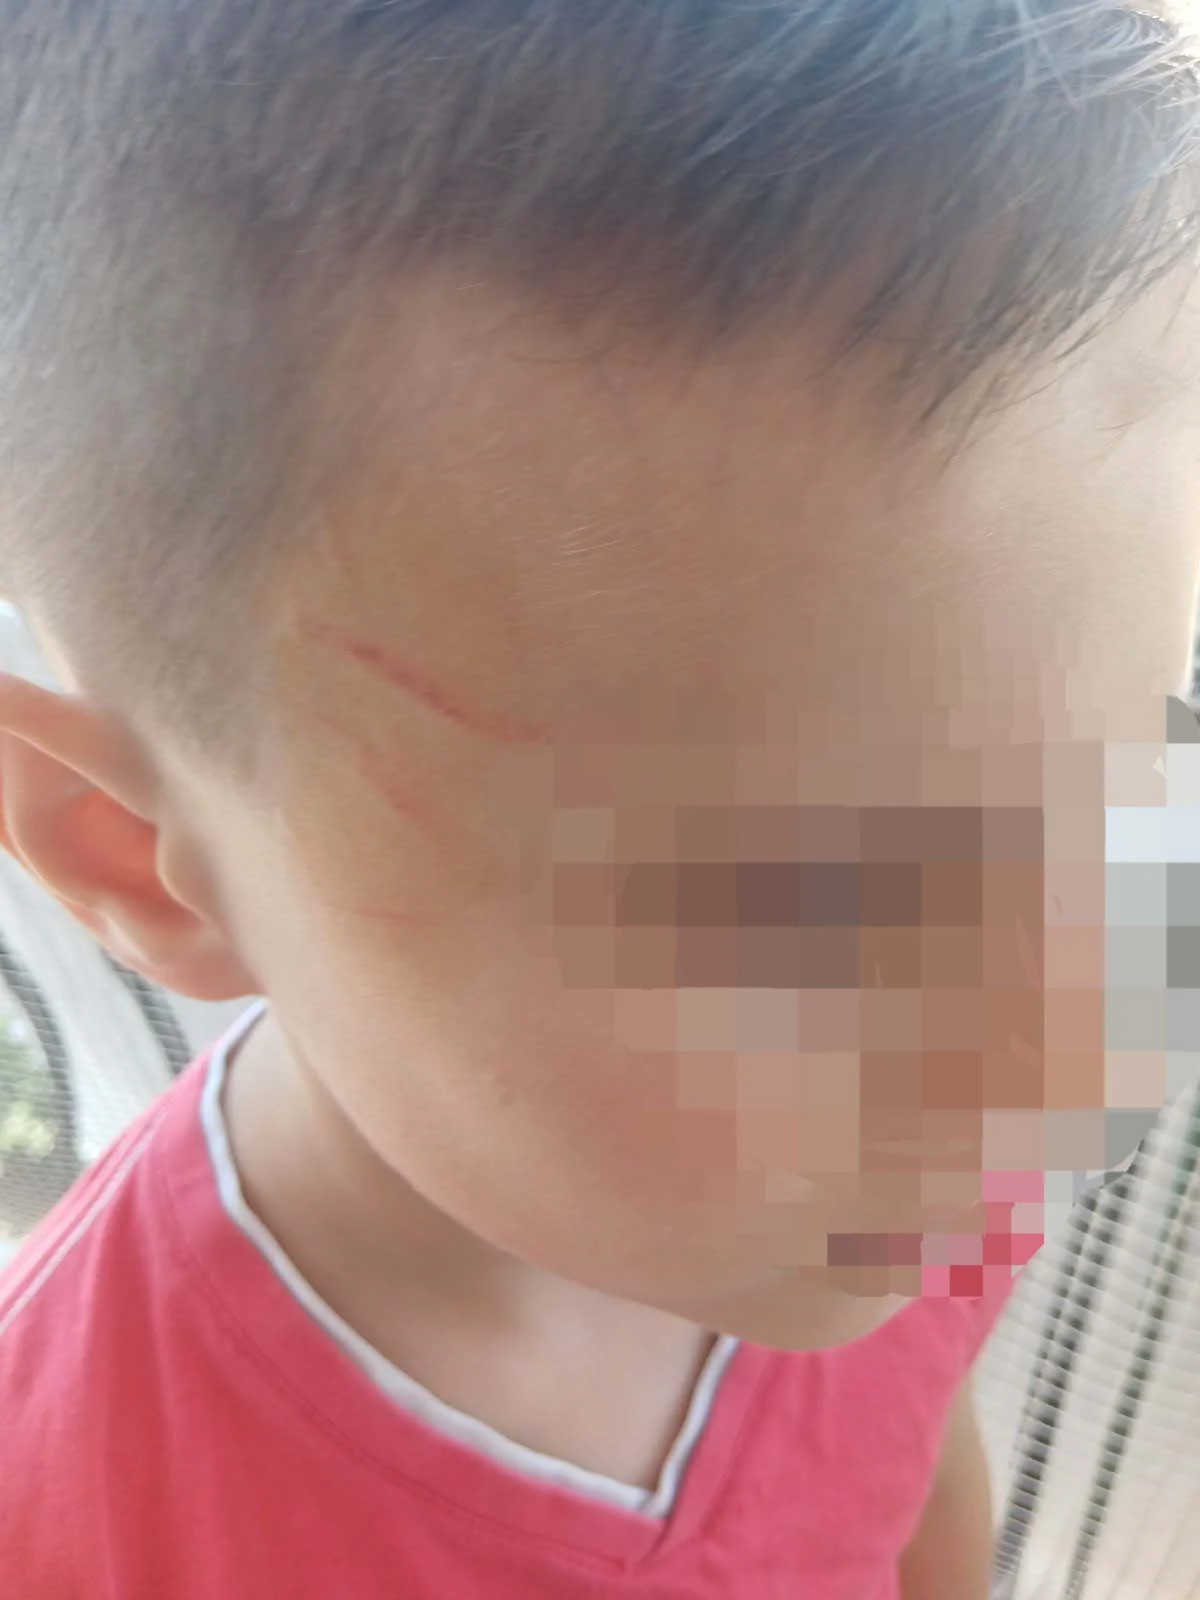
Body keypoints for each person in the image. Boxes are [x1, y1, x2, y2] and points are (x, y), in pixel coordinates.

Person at [0, 2, 1198, 1595]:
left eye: (1136, 775)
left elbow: (905, 1455)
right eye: (810, 927)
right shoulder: (84, 1524)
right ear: (139, 853)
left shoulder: (909, 1165)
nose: (1085, 1058)